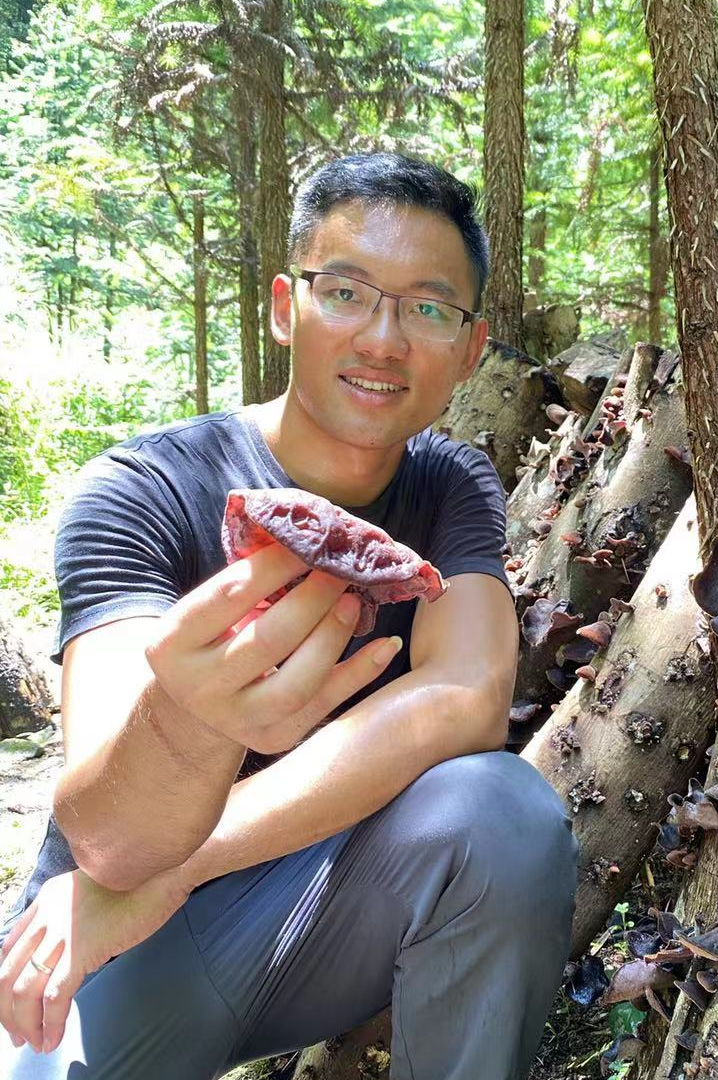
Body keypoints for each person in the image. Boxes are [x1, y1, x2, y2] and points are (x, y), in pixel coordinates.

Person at [0, 153, 578, 1079]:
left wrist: (184, 867)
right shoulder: (143, 488)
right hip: (99, 937)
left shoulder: (449, 483)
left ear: (470, 350)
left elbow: (466, 696)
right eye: (345, 291)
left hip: (310, 913)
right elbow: (109, 839)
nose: (384, 339)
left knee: (500, 812)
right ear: (284, 307)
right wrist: (186, 722)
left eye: (429, 308)